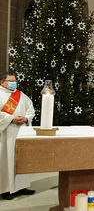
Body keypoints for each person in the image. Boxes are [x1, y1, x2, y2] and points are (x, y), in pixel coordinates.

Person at [0, 71, 36, 200]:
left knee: (20, 160)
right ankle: (6, 190)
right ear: (2, 82)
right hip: (5, 134)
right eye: (11, 81)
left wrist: (26, 119)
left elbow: (31, 110)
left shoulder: (21, 95)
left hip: (20, 133)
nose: (13, 83)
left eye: (15, 81)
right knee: (6, 160)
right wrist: (11, 119)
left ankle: (21, 187)